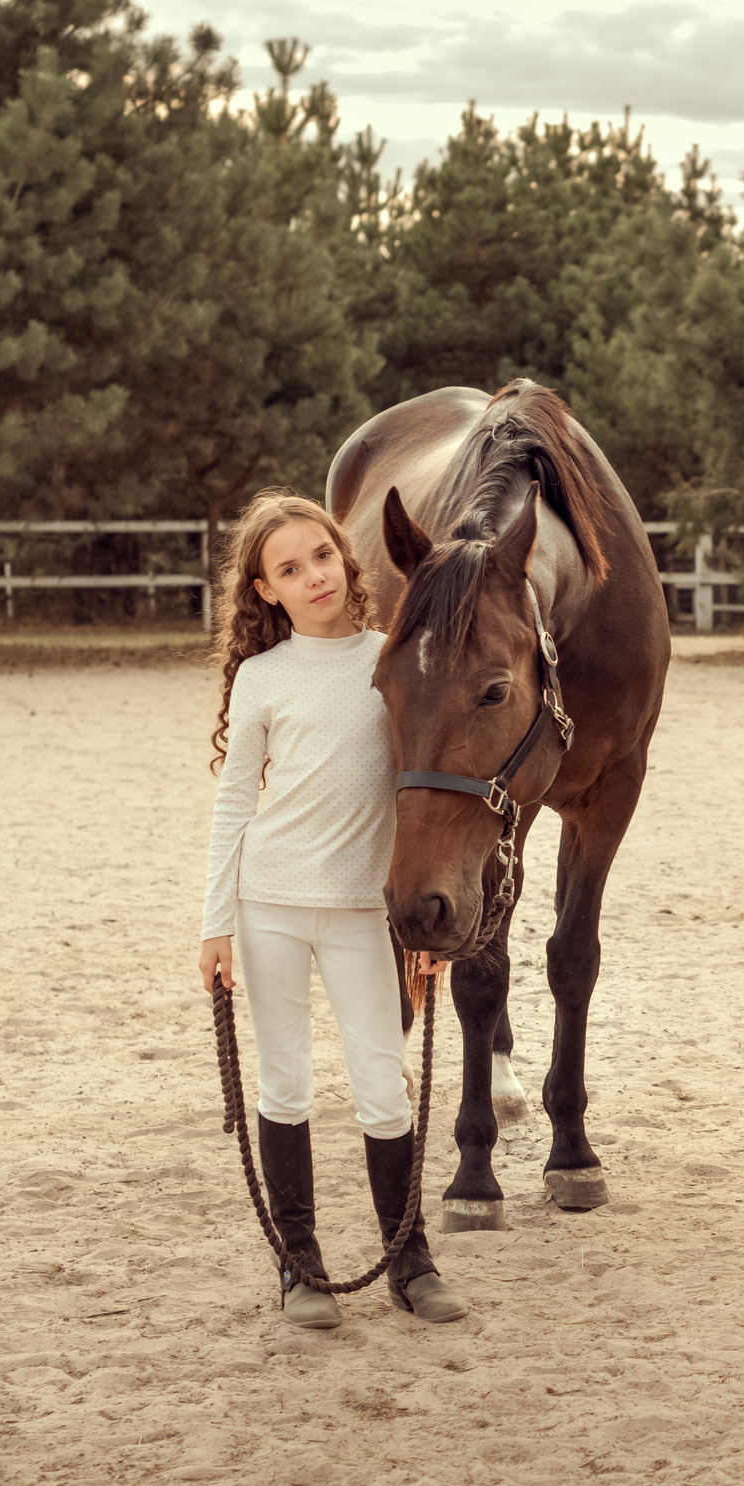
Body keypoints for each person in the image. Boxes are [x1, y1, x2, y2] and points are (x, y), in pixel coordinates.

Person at [197, 489, 466, 1330]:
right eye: (288, 568)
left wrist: (426, 926)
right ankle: (300, 1263)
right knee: (284, 1084)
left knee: (383, 1086)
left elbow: (423, 789)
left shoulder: (395, 661)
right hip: (269, 903)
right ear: (265, 591)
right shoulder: (263, 678)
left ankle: (409, 1258)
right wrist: (215, 923)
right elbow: (235, 800)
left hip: (360, 910)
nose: (312, 575)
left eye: (321, 555)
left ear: (345, 560)